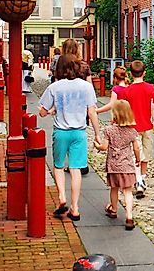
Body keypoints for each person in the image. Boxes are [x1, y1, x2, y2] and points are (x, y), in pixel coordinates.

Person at [38, 54, 101, 222]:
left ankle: (61, 196)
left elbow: (42, 112)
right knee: (76, 169)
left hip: (61, 131)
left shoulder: (55, 87)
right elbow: (92, 112)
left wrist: (52, 111)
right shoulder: (86, 87)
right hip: (79, 132)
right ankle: (75, 207)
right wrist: (97, 133)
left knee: (58, 166)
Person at [94, 100, 140, 230]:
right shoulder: (132, 131)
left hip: (113, 165)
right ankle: (129, 217)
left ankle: (114, 209)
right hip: (127, 166)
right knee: (127, 191)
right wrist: (137, 159)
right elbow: (136, 148)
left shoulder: (109, 130)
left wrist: (97, 145)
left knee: (114, 188)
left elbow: (104, 147)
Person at [123, 60, 154, 198]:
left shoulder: (127, 91)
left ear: (130, 74)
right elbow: (153, 108)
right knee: (146, 154)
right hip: (147, 126)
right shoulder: (150, 88)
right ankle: (142, 179)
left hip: (132, 127)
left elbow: (124, 111)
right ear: (144, 73)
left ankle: (138, 180)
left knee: (136, 155)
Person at [62, 38, 92, 175]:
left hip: (66, 104)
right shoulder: (84, 65)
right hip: (81, 104)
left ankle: (72, 163)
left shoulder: (61, 64)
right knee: (81, 133)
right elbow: (90, 84)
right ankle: (82, 162)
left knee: (67, 132)